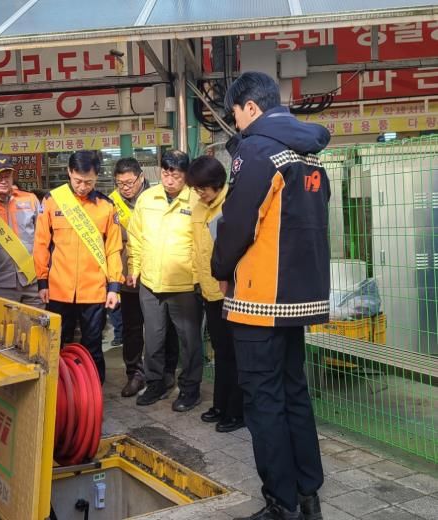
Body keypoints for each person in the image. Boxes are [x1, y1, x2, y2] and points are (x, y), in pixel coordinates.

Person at [212, 71, 330, 520]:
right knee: (294, 393)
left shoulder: (257, 150)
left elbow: (237, 224)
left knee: (263, 402)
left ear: (251, 107)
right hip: (299, 297)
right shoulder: (309, 153)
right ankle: (308, 494)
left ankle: (281, 503)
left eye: (236, 115)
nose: (236, 124)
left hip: (259, 299)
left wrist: (220, 269)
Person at [34, 150, 122, 383]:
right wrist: (42, 281)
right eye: (78, 181)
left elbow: (113, 249)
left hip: (94, 290)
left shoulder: (106, 206)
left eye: (89, 182)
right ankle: (57, 390)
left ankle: (92, 390)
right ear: (69, 173)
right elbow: (41, 244)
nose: (83, 187)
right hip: (58, 289)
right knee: (56, 343)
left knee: (93, 345)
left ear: (97, 177)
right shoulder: (52, 201)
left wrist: (114, 287)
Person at [127, 150, 202, 412]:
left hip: (185, 284)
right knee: (153, 337)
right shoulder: (147, 198)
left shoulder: (196, 199)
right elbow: (135, 236)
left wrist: (198, 277)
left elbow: (203, 243)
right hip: (150, 282)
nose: (170, 180)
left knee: (189, 340)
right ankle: (156, 383)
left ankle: (190, 388)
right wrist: (134, 267)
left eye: (176, 176)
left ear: (186, 176)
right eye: (166, 173)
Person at [110, 157, 180, 397]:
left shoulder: (159, 197)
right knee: (132, 327)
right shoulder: (112, 202)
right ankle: (135, 374)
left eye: (129, 182)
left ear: (141, 177)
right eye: (120, 183)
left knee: (164, 326)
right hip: (128, 275)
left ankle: (167, 371)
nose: (125, 188)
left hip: (158, 272)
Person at [186, 156, 244, 433]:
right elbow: (195, 248)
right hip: (208, 291)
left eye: (203, 188)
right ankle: (221, 405)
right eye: (196, 189)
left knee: (234, 354)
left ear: (217, 183)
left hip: (230, 292)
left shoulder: (233, 204)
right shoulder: (198, 207)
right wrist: (196, 281)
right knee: (220, 352)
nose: (199, 193)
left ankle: (237, 411)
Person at [0, 155, 43, 308]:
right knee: (3, 323)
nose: (3, 180)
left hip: (32, 281)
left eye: (7, 176)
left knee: (36, 322)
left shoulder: (30, 199)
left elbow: (43, 238)